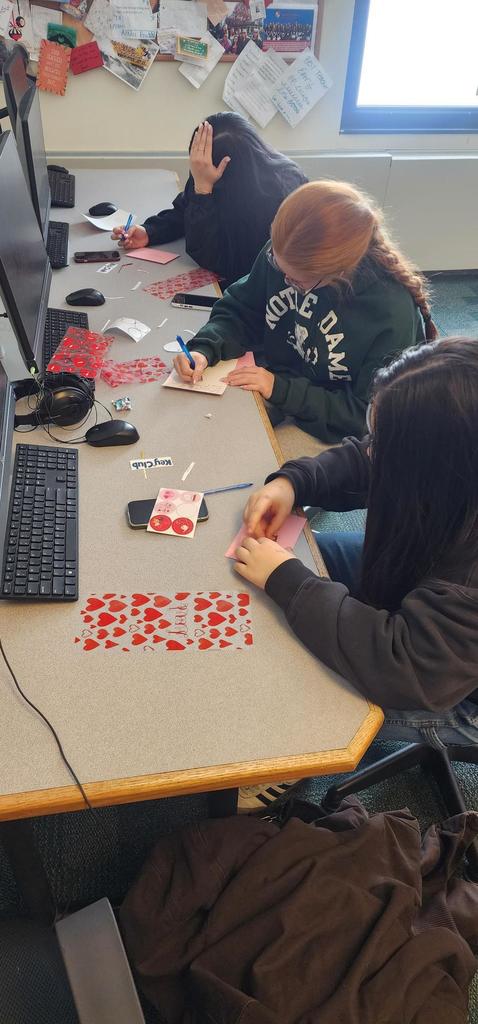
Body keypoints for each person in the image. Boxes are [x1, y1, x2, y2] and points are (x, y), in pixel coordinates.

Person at [232, 336, 478, 810]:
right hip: (424, 582)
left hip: (449, 689)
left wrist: (290, 582)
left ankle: (297, 755)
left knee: (303, 663)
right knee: (295, 563)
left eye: (387, 445)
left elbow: (404, 670)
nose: (373, 451)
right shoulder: (451, 459)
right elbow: (365, 457)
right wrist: (292, 481)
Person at [173, 180, 437, 443]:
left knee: (240, 454)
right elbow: (241, 309)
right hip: (278, 382)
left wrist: (281, 390)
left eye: (297, 281)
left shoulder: (390, 313)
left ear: (338, 274)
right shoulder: (285, 253)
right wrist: (205, 348)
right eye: (277, 265)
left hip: (333, 426)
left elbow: (364, 415)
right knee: (192, 424)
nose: (284, 279)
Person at [112, 113, 307, 289]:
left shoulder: (278, 196)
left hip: (252, 293)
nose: (197, 169)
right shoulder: (211, 172)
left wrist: (203, 189)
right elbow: (185, 209)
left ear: (226, 169)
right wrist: (150, 232)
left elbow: (215, 261)